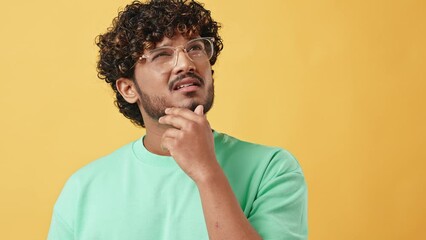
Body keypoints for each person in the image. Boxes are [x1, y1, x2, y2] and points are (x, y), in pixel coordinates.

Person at [47, 0, 308, 239]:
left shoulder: (272, 170)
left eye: (195, 48)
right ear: (128, 89)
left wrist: (206, 172)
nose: (186, 63)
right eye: (161, 54)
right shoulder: (83, 189)